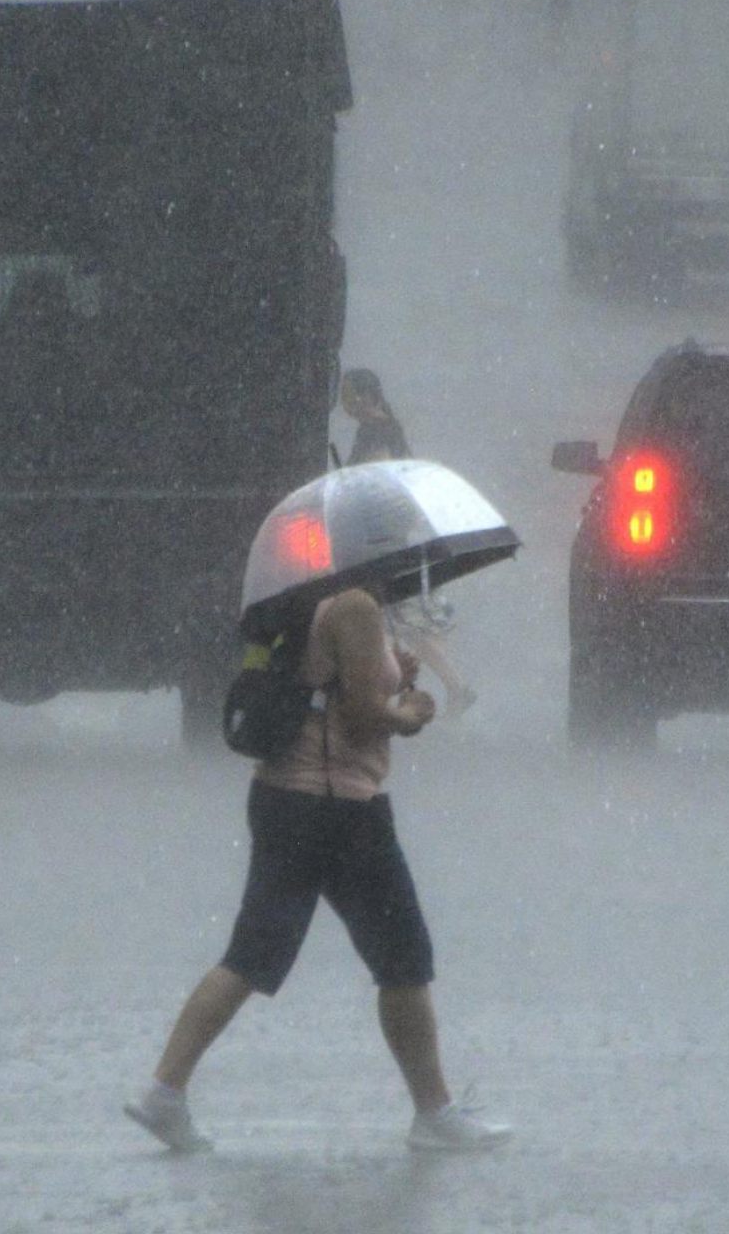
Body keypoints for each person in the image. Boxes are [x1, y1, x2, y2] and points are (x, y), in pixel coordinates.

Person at [125, 584, 511, 1154]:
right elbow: (358, 718)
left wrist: (392, 675)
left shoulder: (312, 602)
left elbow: (331, 689)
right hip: (336, 807)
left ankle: (165, 1092)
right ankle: (434, 1115)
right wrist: (409, 712)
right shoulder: (353, 603)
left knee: (253, 955)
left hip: (287, 798)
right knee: (403, 958)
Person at [339, 368, 478, 719]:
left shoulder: (377, 430)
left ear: (367, 396)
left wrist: (349, 482)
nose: (344, 401)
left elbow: (381, 477)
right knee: (401, 620)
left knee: (391, 618)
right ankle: (452, 687)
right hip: (386, 536)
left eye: (349, 393)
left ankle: (392, 695)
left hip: (381, 539)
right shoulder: (381, 427)